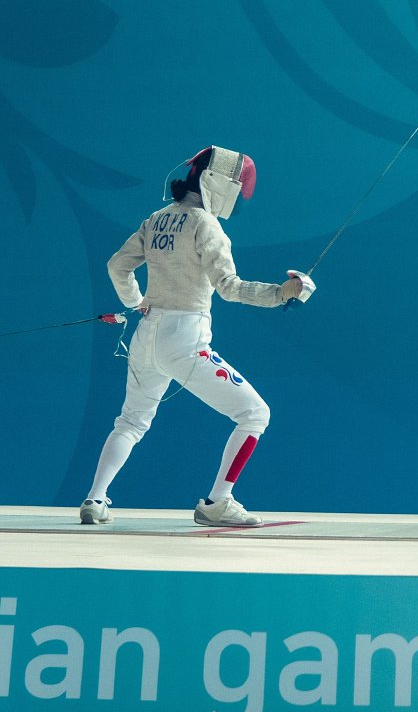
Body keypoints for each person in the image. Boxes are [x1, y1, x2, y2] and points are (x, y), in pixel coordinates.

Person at [79, 146, 314, 527]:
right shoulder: (206, 224)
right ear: (217, 183)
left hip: (146, 337)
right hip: (184, 341)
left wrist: (137, 302)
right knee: (255, 414)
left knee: (131, 422)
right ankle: (218, 502)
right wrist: (281, 294)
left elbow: (117, 266)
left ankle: (94, 499)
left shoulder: (157, 219)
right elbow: (229, 287)